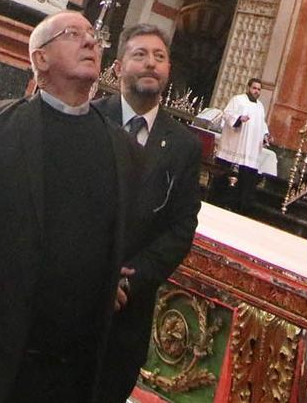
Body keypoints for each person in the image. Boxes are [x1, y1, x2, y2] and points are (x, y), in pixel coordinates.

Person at [0, 11, 138, 403]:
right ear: (41, 59)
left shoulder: (123, 148)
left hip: (62, 371)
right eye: (73, 34)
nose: (90, 42)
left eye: (93, 36)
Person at [93, 25, 203, 403]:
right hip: (70, 293)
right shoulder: (89, 119)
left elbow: (181, 227)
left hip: (129, 309)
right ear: (119, 65)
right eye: (141, 55)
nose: (151, 64)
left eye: (159, 57)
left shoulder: (184, 146)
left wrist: (127, 282)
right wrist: (94, 274)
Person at [213, 78, 272, 211]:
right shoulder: (238, 100)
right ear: (248, 88)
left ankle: (240, 208)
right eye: (254, 88)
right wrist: (238, 119)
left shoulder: (260, 107)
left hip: (249, 153)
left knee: (245, 184)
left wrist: (265, 135)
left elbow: (262, 125)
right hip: (234, 148)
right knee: (223, 183)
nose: (256, 91)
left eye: (258, 89)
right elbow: (227, 114)